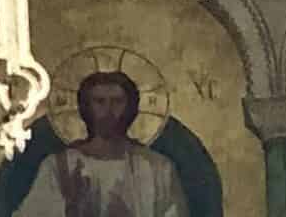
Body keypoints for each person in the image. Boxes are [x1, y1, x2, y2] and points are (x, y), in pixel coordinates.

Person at [11, 71, 188, 217]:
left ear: (130, 107)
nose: (108, 111)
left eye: (117, 101)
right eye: (99, 101)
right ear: (86, 107)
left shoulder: (158, 168)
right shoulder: (59, 166)